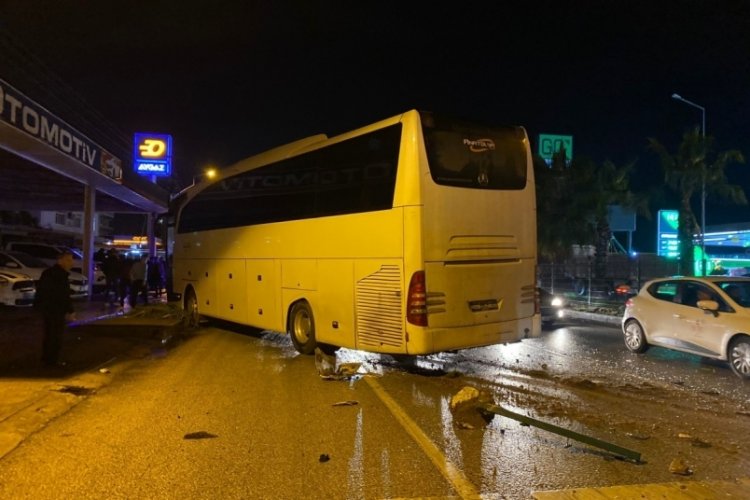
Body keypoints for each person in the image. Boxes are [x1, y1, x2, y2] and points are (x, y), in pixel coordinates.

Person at [33, 250, 76, 367]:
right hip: (55, 309)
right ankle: (52, 360)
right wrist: (70, 310)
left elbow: (42, 291)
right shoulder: (59, 275)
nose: (71, 263)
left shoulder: (49, 273)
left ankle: (47, 358)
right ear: (60, 260)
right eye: (68, 260)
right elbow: (62, 294)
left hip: (48, 308)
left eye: (71, 260)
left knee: (49, 333)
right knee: (55, 335)